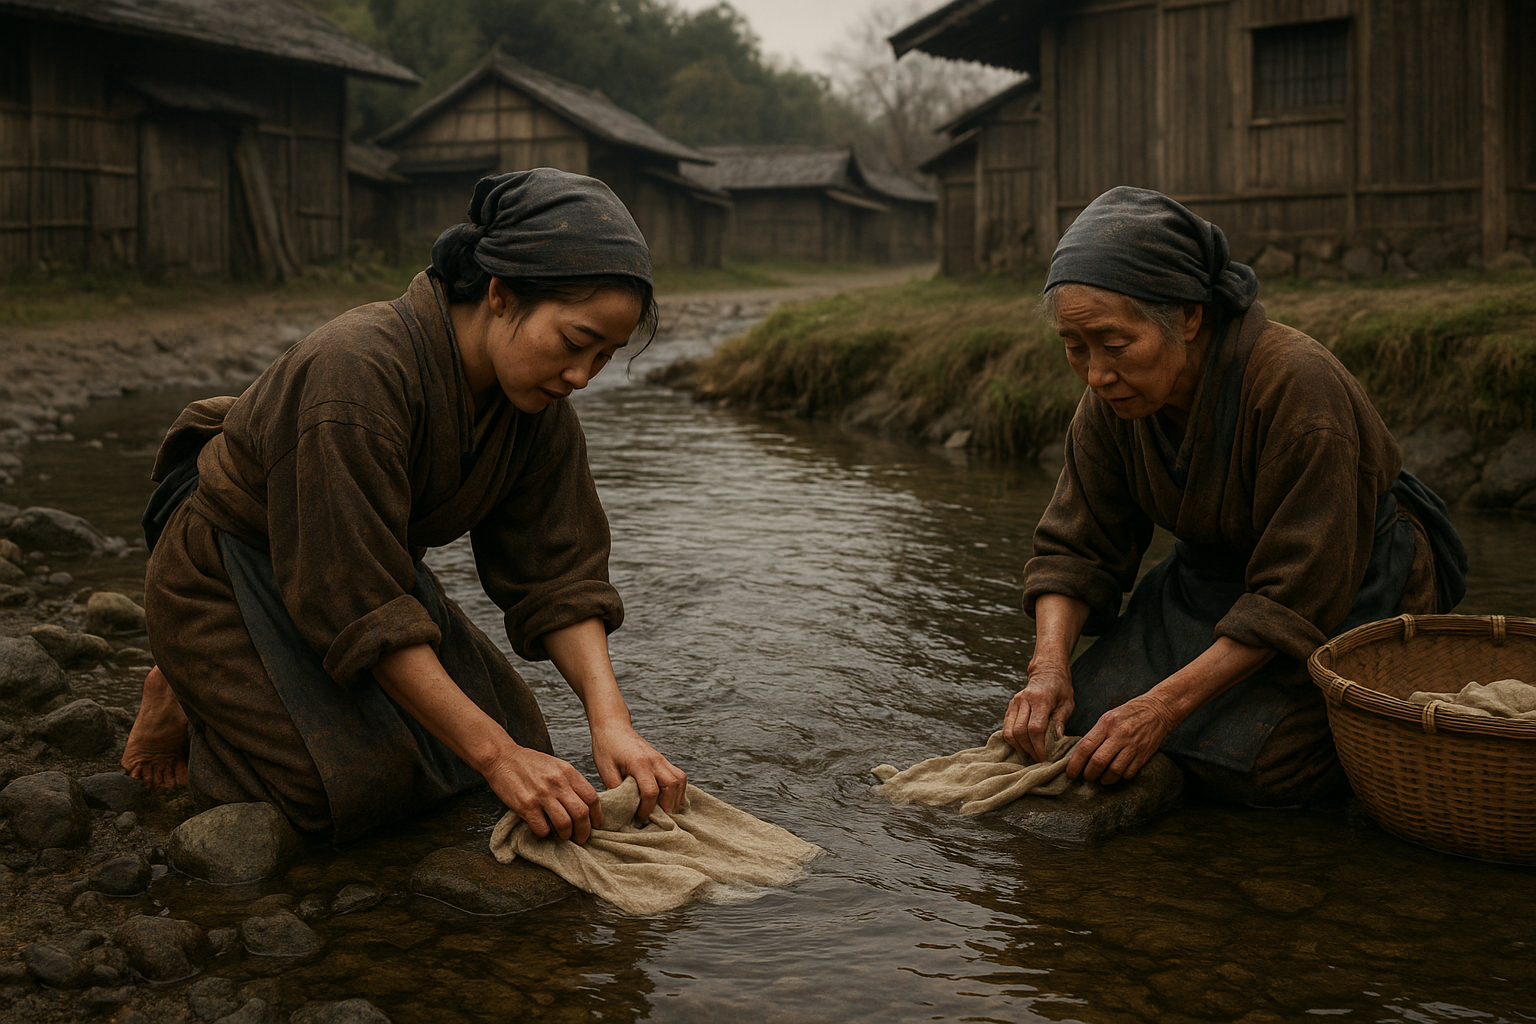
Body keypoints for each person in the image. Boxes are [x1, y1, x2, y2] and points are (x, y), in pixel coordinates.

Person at [122, 168, 686, 844]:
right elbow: (355, 603)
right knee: (340, 792)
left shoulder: (541, 410)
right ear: (501, 295)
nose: (580, 377)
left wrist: (611, 723)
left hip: (358, 571)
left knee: (521, 732)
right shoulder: (355, 373)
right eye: (573, 342)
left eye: (604, 356)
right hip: (230, 565)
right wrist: (498, 756)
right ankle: (183, 689)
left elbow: (559, 577)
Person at [1001, 186, 1467, 806]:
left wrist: (1162, 708)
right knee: (1075, 721)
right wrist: (1048, 670)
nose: (1095, 374)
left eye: (1114, 346)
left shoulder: (1298, 391)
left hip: (1347, 579)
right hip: (1212, 581)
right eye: (1074, 348)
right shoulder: (1110, 402)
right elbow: (1076, 547)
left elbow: (1293, 596)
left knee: (1263, 771)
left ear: (1190, 316)